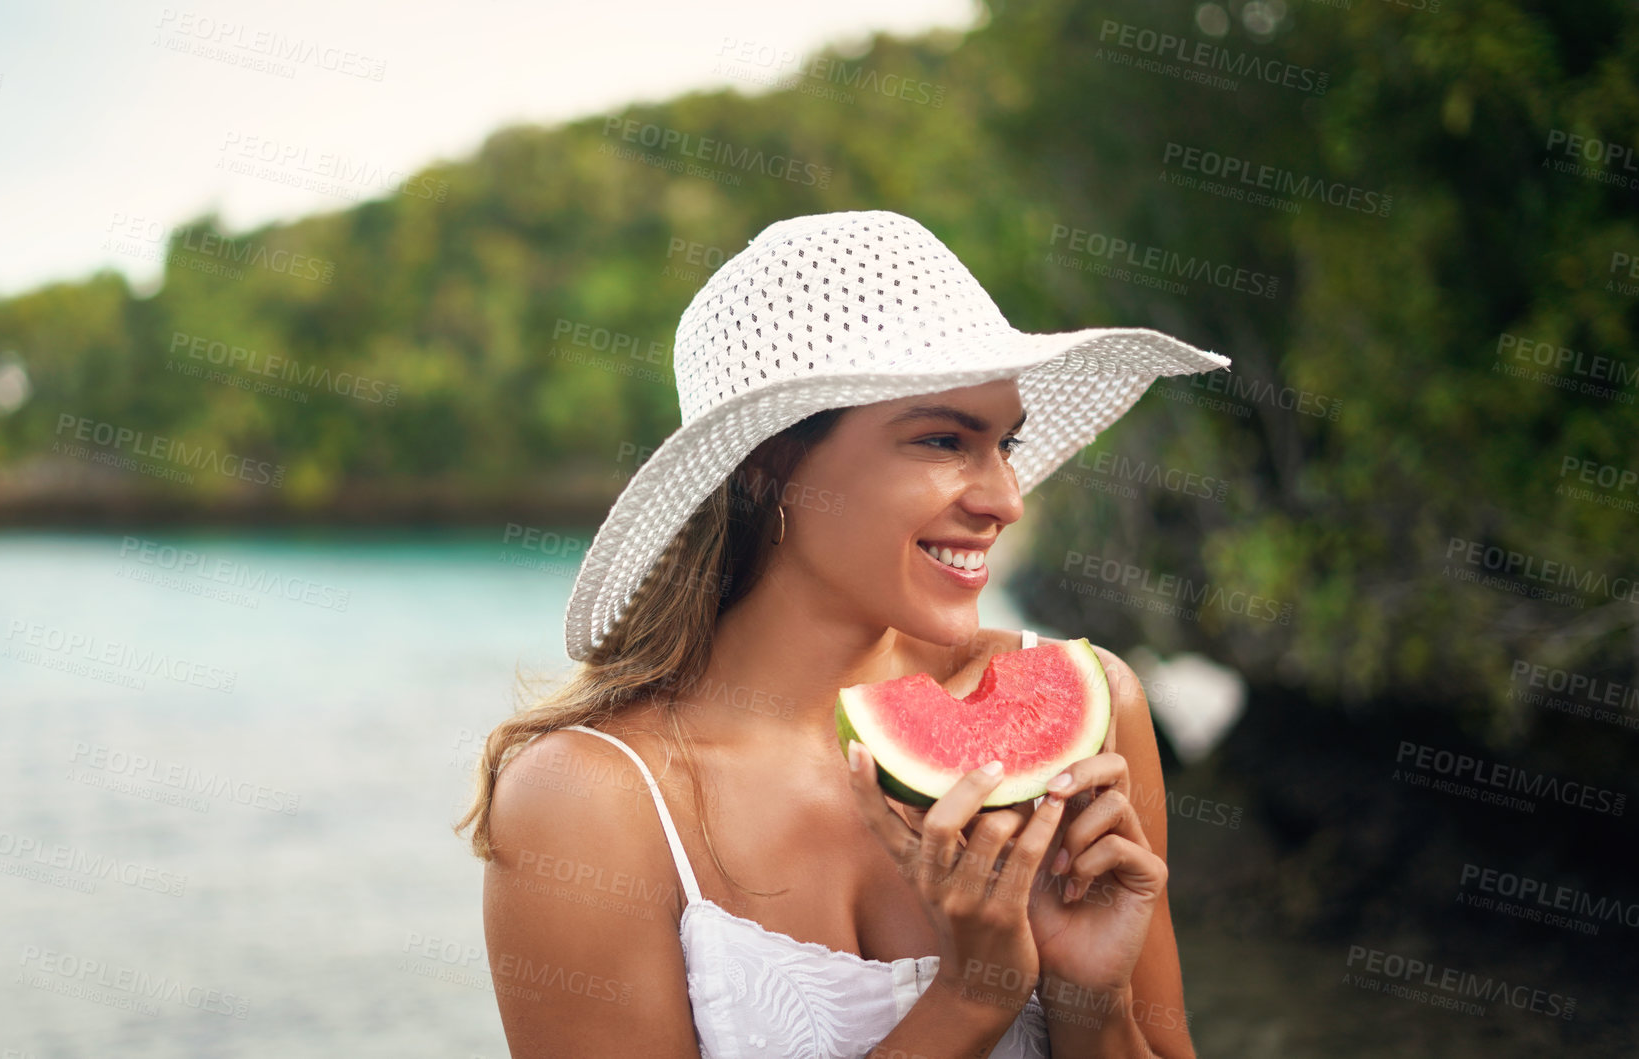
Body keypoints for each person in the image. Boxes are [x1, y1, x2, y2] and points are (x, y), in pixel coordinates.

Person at [455, 209, 1229, 1057]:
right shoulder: (593, 803)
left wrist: (1091, 1002)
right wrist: (970, 999)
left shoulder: (1096, 708)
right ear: (768, 463)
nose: (1005, 499)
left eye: (1002, 442)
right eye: (943, 439)